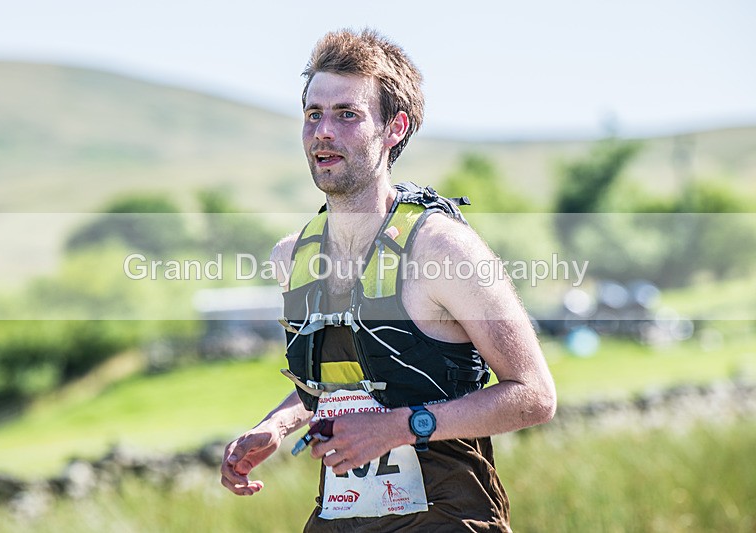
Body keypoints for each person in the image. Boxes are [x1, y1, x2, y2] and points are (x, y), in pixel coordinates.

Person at [221, 28, 556, 532]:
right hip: (339, 517)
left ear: (394, 128)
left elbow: (533, 394)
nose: (322, 132)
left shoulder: (442, 249)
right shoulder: (293, 257)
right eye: (313, 114)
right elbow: (349, 381)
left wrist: (394, 429)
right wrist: (277, 424)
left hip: (446, 516)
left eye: (346, 115)